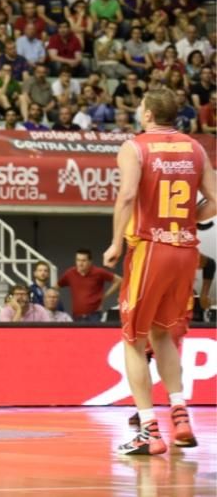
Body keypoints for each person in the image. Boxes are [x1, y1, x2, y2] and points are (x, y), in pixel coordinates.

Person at [104, 87, 214, 455]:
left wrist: (116, 242)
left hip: (150, 248)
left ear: (148, 113)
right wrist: (188, 220)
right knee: (163, 336)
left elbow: (128, 195)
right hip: (185, 250)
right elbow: (215, 199)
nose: (137, 109)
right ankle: (179, 411)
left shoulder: (135, 146)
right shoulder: (194, 148)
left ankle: (149, 430)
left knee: (133, 340)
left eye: (139, 106)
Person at [59, 249, 122, 322]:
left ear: (90, 262)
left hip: (94, 316)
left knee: (95, 333)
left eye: (83, 260)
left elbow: (119, 280)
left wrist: (105, 296)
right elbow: (55, 287)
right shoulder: (70, 273)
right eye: (78, 260)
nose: (80, 263)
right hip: (76, 316)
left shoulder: (98, 272)